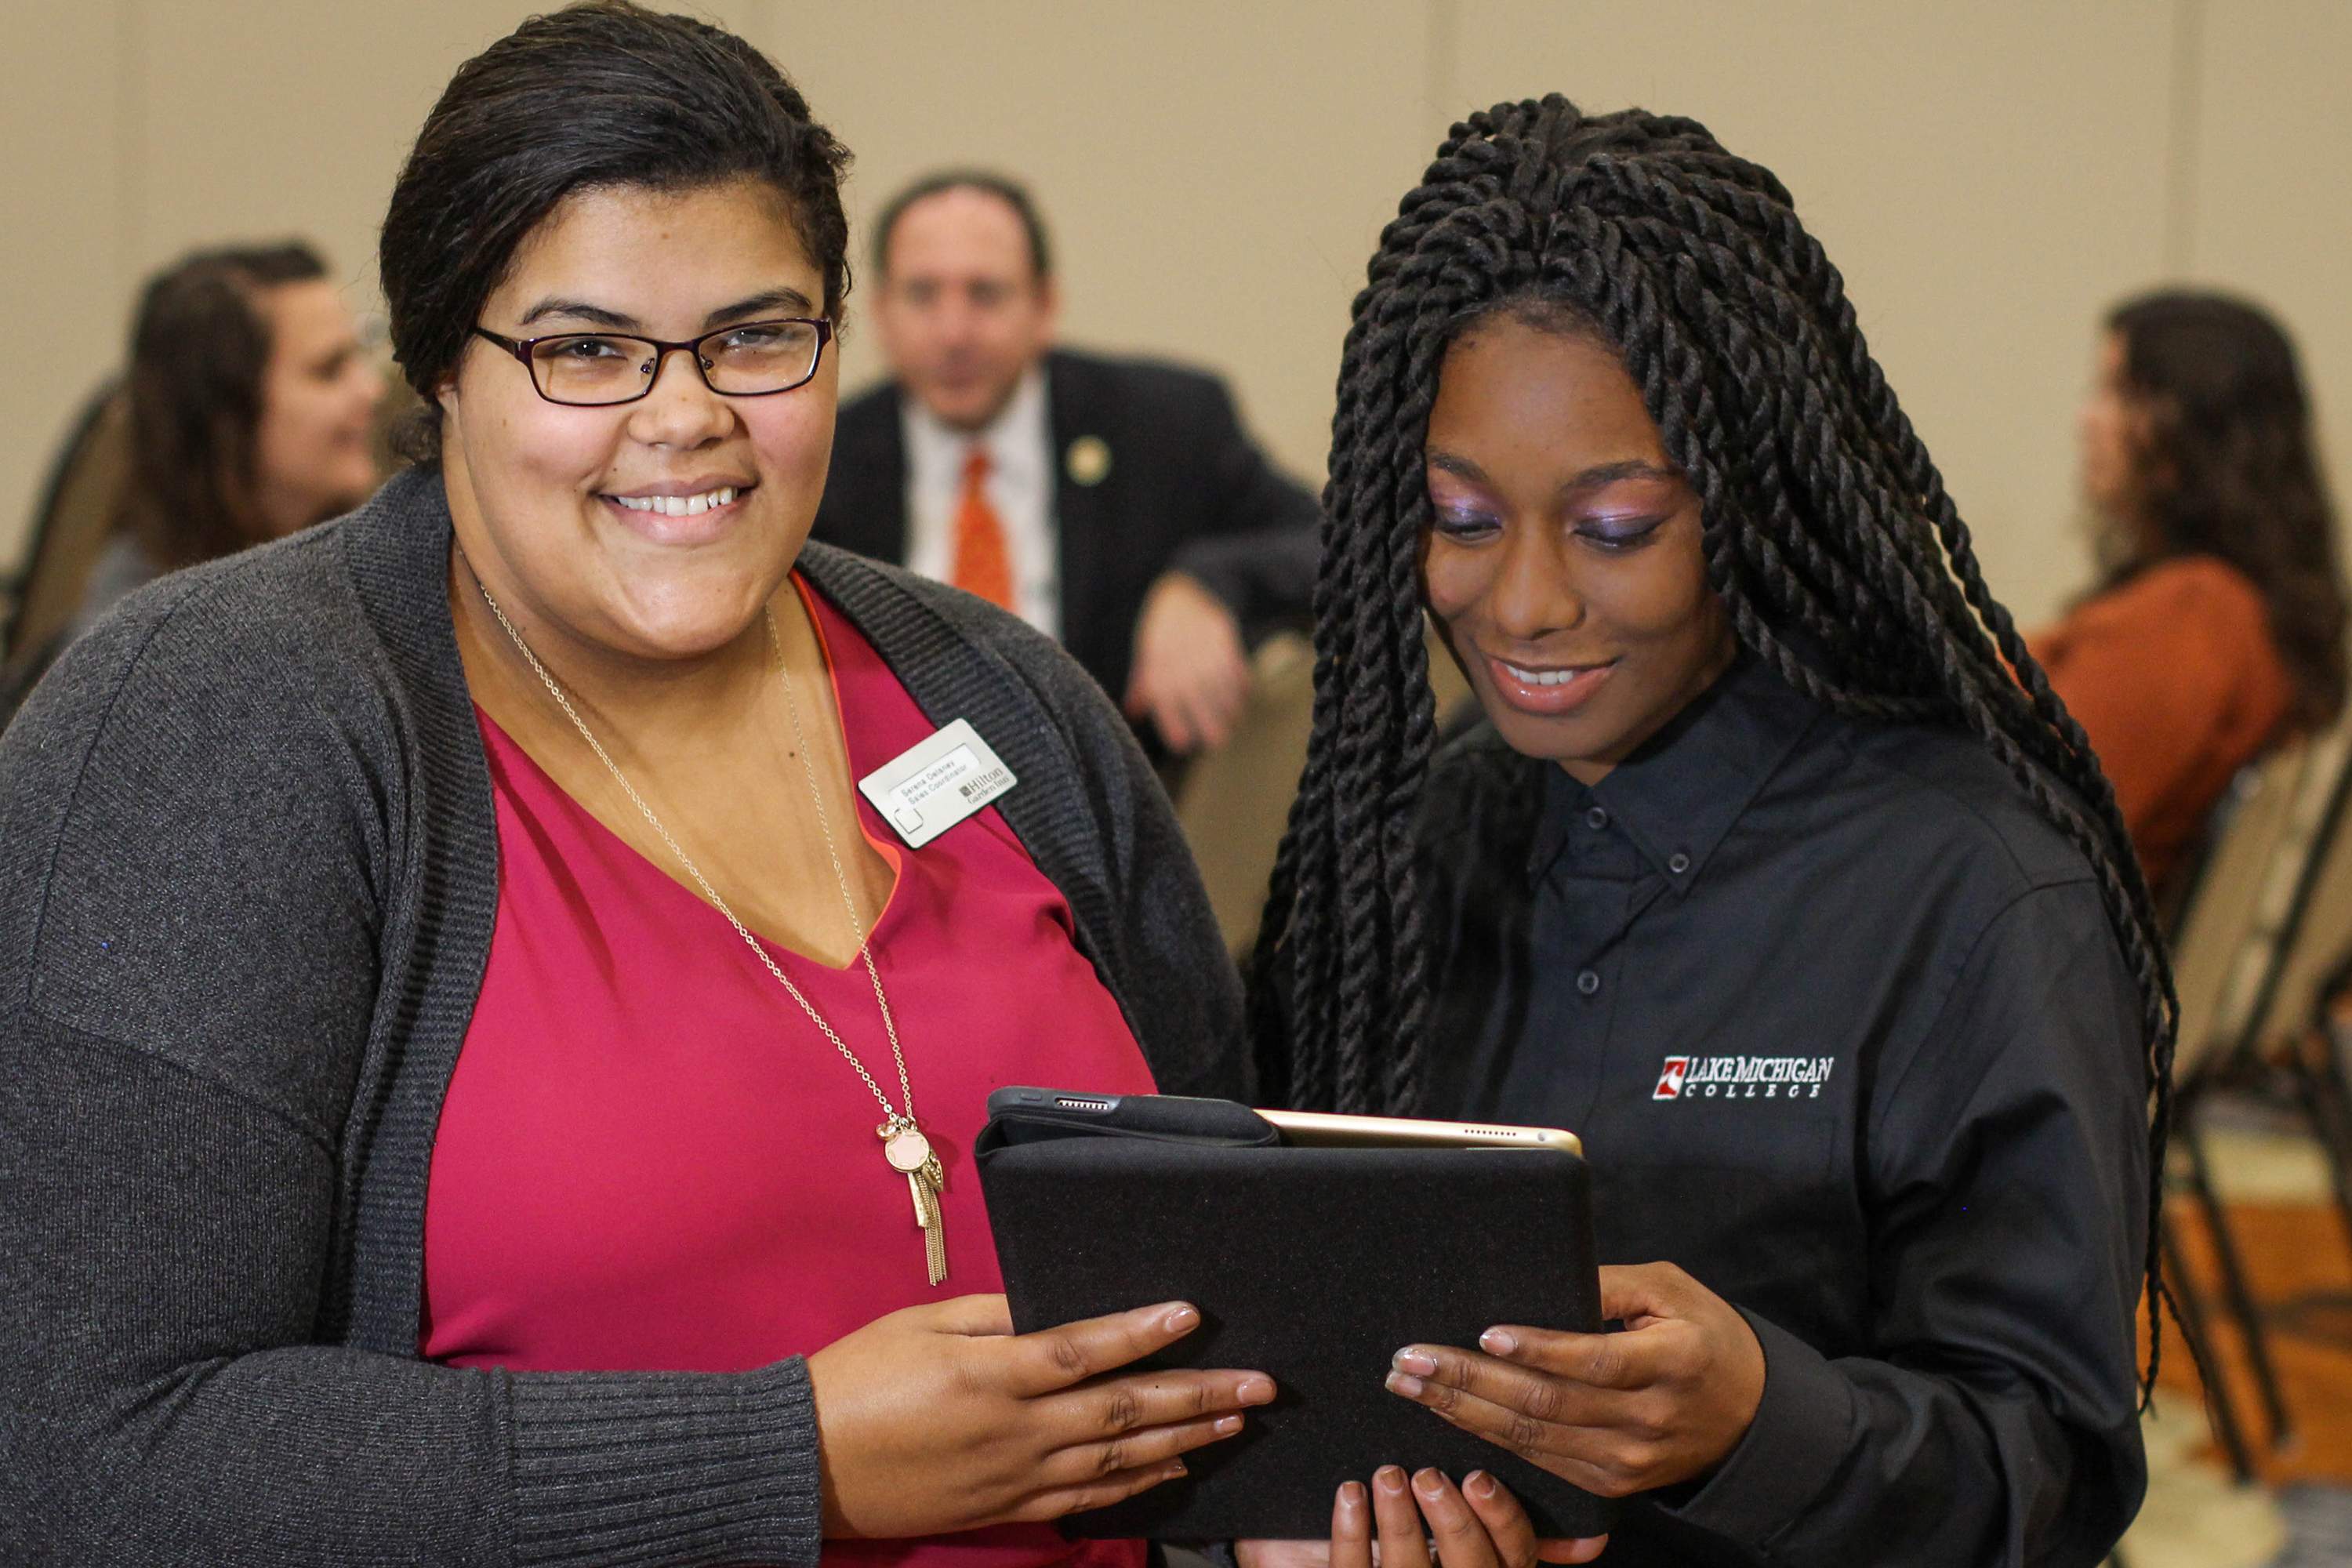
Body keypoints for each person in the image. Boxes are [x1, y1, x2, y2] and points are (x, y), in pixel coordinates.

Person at [0, 9, 1565, 1564]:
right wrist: (788, 1459)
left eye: (757, 336)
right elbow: (88, 1458)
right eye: (585, 349)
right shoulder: (220, 718)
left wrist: (1272, 1528)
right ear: (440, 370)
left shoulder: (1003, 698)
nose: (685, 416)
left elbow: (1224, 1297)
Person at [1247, 97, 2165, 1567]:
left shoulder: (1976, 892)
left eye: (1615, 528)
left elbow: (2049, 1474)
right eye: (1461, 519)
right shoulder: (1388, 862)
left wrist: (1761, 1423)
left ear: (1751, 502)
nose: (1528, 603)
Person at [811, 172, 1322, 757]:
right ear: (879, 313)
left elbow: (1327, 543)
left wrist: (1206, 583)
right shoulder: (822, 458)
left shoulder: (1163, 424)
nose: (954, 333)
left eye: (985, 294)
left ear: (1045, 307)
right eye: (923, 295)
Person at [2032, 289, 2348, 896]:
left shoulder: (2197, 612)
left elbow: (2020, 817)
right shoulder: (2223, 606)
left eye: (2122, 394)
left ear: (2198, 427)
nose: (2088, 419)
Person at [2, 241, 383, 706]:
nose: (372, 390)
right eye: (328, 370)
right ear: (223, 422)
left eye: (359, 356)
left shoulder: (339, 583)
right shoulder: (133, 663)